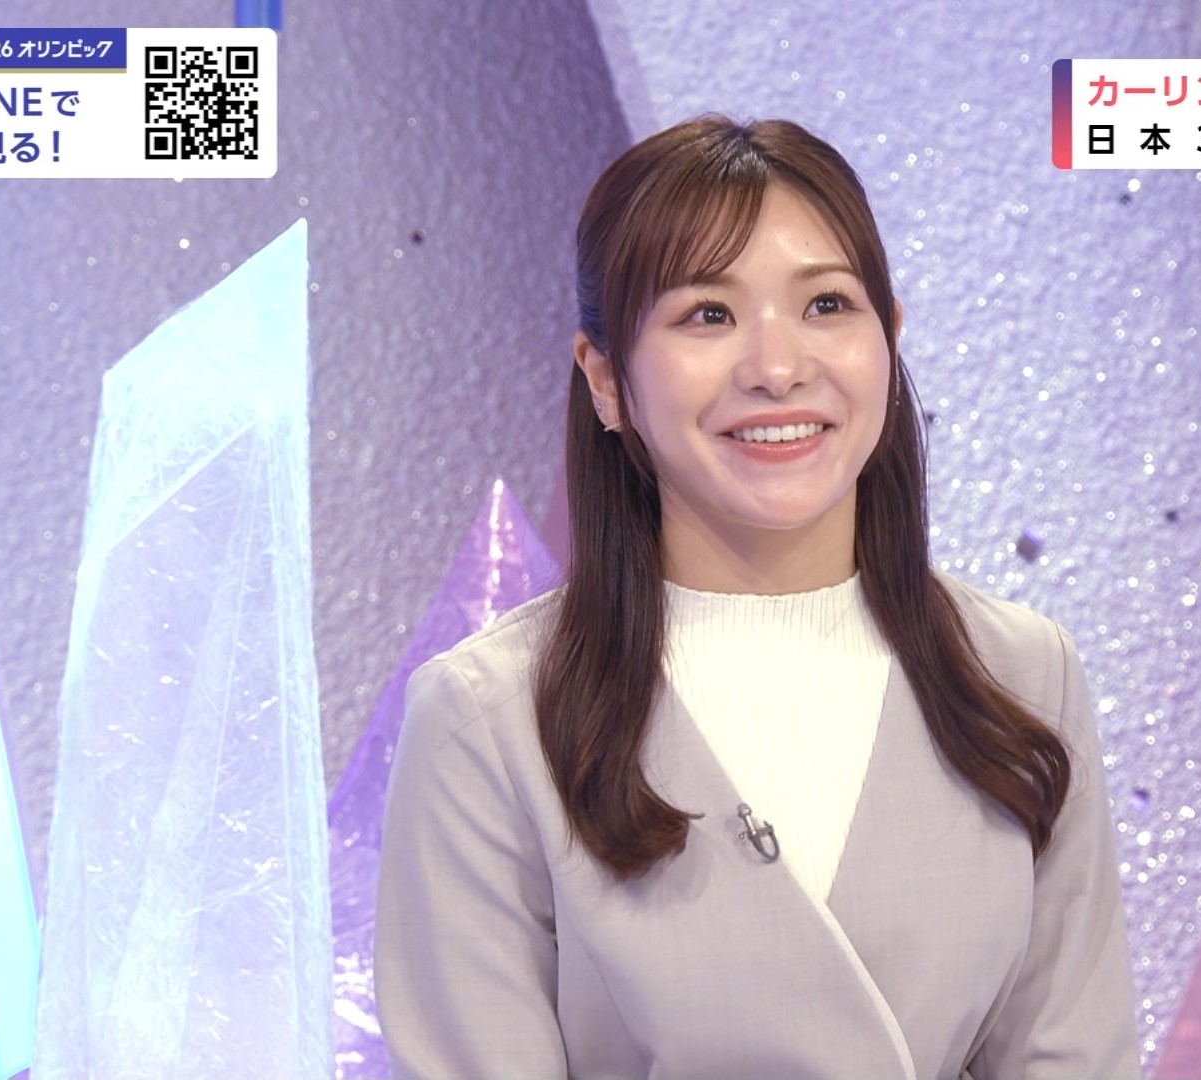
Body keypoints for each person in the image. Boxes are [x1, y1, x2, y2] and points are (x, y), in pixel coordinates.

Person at [374, 115, 1138, 1079]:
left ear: (889, 339)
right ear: (606, 379)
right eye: (708, 315)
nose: (778, 369)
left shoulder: (1021, 674)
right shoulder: (488, 717)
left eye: (826, 304)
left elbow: (1074, 1055)